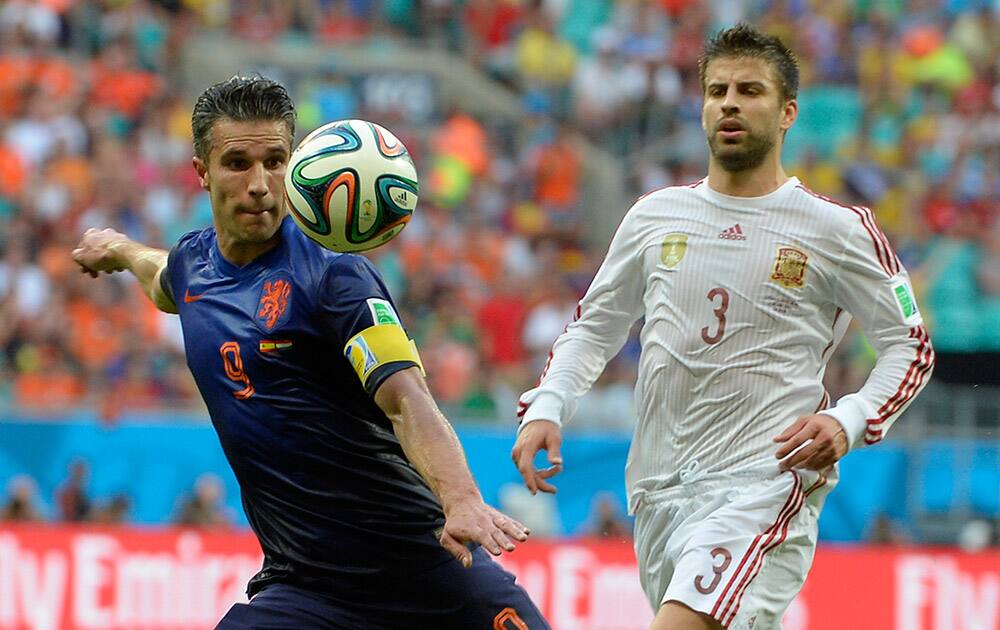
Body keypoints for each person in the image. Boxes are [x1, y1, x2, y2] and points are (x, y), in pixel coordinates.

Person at [73, 75, 548, 629]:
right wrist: (119, 249)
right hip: (305, 589)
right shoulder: (193, 266)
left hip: (424, 571)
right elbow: (162, 279)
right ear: (201, 171)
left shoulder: (335, 276)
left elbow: (406, 399)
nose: (259, 184)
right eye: (237, 163)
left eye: (274, 161)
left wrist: (461, 497)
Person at [511, 23, 934, 630]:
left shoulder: (839, 230)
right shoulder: (655, 216)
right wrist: (549, 402)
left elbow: (908, 346)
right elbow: (593, 326)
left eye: (750, 91)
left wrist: (850, 419)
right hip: (657, 490)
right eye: (717, 90)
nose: (729, 102)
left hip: (763, 485)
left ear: (788, 112)